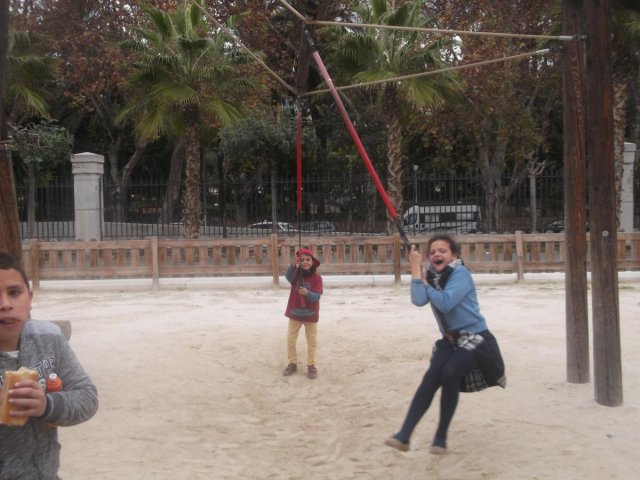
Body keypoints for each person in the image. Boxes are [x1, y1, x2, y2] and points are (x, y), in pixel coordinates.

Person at [385, 234, 505, 455]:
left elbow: (446, 302)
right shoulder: (430, 275)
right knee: (431, 377)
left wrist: (426, 283)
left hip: (475, 337)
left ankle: (440, 437)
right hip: (450, 339)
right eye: (432, 252)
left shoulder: (461, 274)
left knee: (450, 372)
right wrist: (415, 270)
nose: (436, 255)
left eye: (442, 251)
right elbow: (418, 300)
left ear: (454, 255)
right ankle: (404, 435)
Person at [0, 251, 99, 479]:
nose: (5, 304)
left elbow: (87, 396)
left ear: (30, 298)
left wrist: (47, 405)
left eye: (14, 293)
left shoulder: (49, 339)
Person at [282, 247, 323, 379]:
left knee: (311, 342)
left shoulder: (317, 278)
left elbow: (317, 296)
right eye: (302, 260)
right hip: (295, 313)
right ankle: (292, 363)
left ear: (312, 262)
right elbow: (288, 276)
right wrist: (293, 265)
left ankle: (311, 365)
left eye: (308, 260)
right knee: (290, 340)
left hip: (311, 315)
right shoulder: (295, 275)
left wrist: (307, 293)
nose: (305, 262)